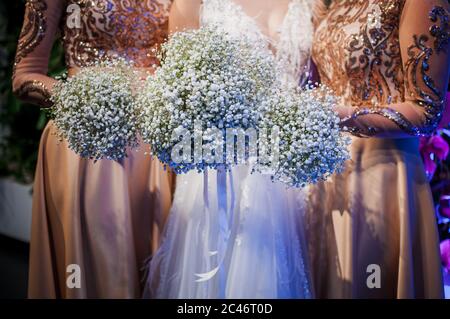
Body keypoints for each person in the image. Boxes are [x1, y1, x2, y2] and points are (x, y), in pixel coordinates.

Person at [144, 0, 315, 299]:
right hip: (217, 171)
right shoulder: (193, 4)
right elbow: (175, 93)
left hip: (287, 175)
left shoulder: (310, 5)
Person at [12, 0, 174, 298]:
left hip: (157, 147)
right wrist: (81, 99)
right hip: (88, 145)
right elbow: (24, 77)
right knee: (98, 266)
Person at [307, 0, 449, 298]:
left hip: (384, 175)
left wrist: (337, 116)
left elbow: (426, 111)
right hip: (327, 172)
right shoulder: (332, 4)